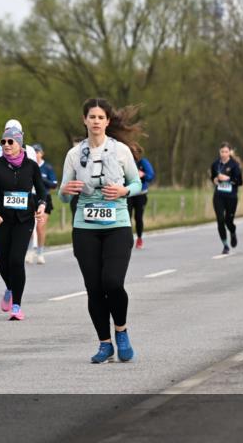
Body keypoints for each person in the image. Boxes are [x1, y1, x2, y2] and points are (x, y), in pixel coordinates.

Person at [59, 98, 143, 364]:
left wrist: (124, 190)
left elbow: (137, 183)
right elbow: (62, 195)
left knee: (113, 283)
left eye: (100, 117)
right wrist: (65, 191)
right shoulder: (74, 155)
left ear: (107, 121)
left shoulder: (121, 151)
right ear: (84, 120)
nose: (96, 121)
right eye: (91, 117)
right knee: (94, 288)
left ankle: (121, 331)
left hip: (117, 224)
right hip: (85, 228)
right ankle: (105, 344)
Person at [0, 126, 47, 321]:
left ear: (19, 144)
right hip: (1, 220)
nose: (6, 145)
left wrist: (41, 205)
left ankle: (17, 306)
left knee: (16, 260)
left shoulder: (31, 166)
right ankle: (10, 288)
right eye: (3, 142)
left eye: (10, 141)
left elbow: (41, 191)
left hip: (24, 220)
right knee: (3, 262)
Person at [26, 143, 57, 265]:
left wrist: (40, 178)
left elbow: (54, 184)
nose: (36, 154)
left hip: (44, 198)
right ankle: (29, 251)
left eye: (38, 152)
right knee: (28, 226)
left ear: (42, 154)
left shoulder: (47, 167)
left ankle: (40, 252)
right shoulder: (27, 165)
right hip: (30, 197)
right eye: (33, 152)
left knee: (40, 226)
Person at [210, 142, 243, 255]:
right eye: (222, 152)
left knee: (229, 221)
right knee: (220, 220)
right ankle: (225, 245)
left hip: (231, 197)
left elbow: (240, 182)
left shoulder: (234, 165)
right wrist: (214, 180)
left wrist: (227, 179)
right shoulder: (215, 164)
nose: (224, 154)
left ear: (229, 152)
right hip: (218, 196)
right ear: (219, 152)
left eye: (226, 152)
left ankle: (233, 232)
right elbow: (213, 177)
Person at [127, 151, 155, 249]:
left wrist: (143, 174)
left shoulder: (143, 162)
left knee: (138, 217)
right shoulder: (125, 161)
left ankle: (139, 238)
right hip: (128, 194)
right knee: (127, 218)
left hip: (140, 194)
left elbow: (151, 176)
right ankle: (128, 239)